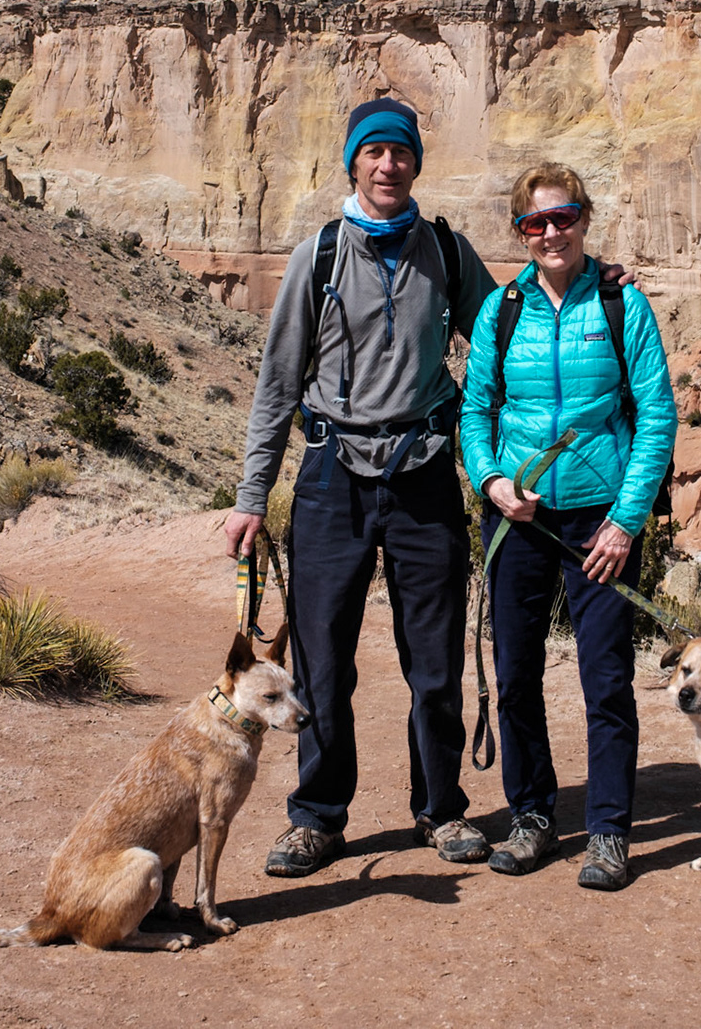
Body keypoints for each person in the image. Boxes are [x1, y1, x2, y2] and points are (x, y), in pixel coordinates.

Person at [223, 97, 496, 876]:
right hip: (331, 479)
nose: (388, 165)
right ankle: (318, 817)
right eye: (374, 153)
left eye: (400, 153)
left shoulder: (445, 250)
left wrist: (594, 287)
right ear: (354, 162)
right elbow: (277, 386)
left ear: (415, 163)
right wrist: (251, 498)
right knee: (321, 664)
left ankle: (440, 811)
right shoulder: (319, 255)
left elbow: (510, 332)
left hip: (423, 477)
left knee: (435, 663)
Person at [459, 163, 677, 890]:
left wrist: (625, 521)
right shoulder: (503, 310)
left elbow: (655, 416)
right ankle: (531, 818)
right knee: (516, 676)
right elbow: (475, 409)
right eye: (536, 222)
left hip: (599, 521)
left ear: (585, 220)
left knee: (605, 681)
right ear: (520, 231)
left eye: (565, 217)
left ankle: (610, 831)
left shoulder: (621, 305)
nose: (552, 232)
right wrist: (491, 480)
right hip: (518, 519)